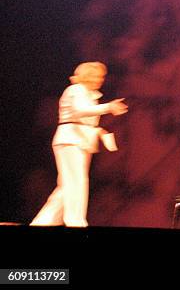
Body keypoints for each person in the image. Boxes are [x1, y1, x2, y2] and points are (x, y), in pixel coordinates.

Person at [31, 62, 128, 227]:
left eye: (101, 77)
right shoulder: (76, 90)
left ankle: (43, 222)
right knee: (76, 181)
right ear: (86, 76)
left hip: (80, 140)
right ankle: (75, 222)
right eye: (96, 76)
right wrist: (109, 107)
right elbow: (79, 111)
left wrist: (99, 132)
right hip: (71, 140)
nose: (100, 79)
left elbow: (85, 121)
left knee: (67, 185)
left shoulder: (88, 94)